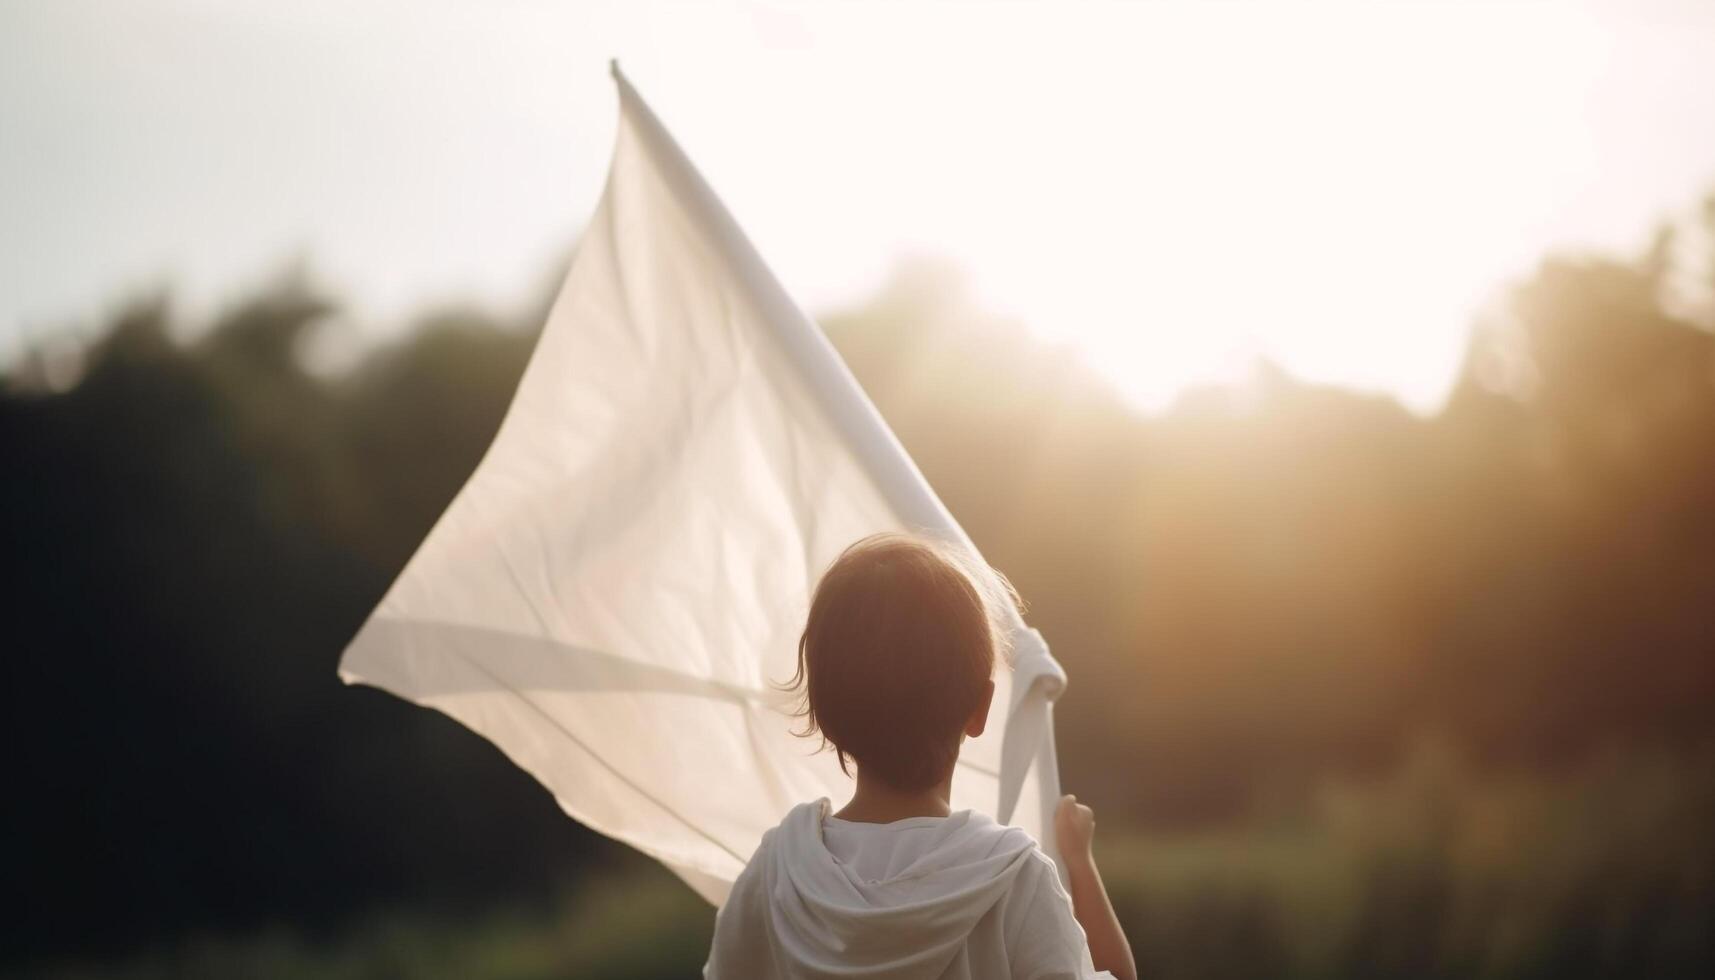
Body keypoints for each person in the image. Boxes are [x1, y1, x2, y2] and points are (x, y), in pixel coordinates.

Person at [704, 533, 1137, 980]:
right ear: (980, 708)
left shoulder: (780, 874)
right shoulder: (1011, 877)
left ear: (824, 714)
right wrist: (1080, 864)